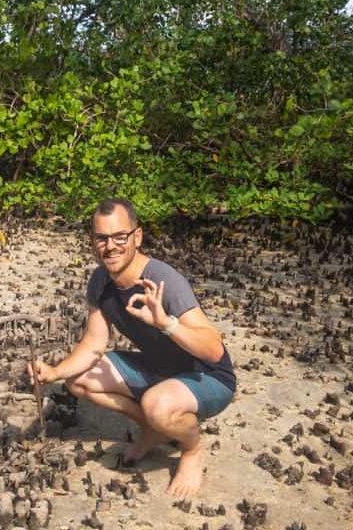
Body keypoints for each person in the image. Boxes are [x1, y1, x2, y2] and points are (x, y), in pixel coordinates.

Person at [28, 198, 236, 498]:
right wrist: (54, 372)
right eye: (102, 238)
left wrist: (166, 323)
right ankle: (154, 429)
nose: (110, 246)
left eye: (119, 237)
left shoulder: (164, 280)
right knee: (78, 380)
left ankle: (191, 450)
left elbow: (214, 350)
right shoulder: (100, 281)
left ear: (137, 237)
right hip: (161, 370)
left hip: (209, 377)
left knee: (157, 405)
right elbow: (93, 343)